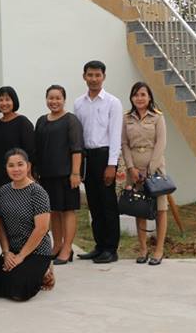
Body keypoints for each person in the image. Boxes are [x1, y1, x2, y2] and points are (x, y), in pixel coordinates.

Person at [73, 60, 124, 264]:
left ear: (103, 77)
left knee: (108, 204)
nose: (93, 79)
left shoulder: (113, 102)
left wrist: (112, 164)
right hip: (87, 157)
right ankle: (99, 245)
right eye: (90, 75)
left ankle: (111, 248)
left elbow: (115, 136)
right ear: (84, 76)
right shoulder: (79, 103)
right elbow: (78, 135)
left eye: (97, 75)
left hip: (105, 157)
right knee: (93, 203)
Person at [34, 85, 84, 264]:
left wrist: (75, 173)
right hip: (47, 175)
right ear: (46, 99)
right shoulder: (41, 121)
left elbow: (76, 149)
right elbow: (37, 148)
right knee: (53, 211)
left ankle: (67, 248)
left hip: (66, 174)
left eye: (58, 98)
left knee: (67, 210)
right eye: (51, 98)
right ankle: (57, 245)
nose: (54, 101)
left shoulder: (71, 120)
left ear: (64, 100)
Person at [0, 149, 54, 301]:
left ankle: (45, 270)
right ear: (6, 168)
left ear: (28, 166)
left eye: (20, 164)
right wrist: (6, 252)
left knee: (18, 292)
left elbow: (41, 229)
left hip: (36, 251)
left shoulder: (38, 192)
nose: (16, 169)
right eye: (11, 165)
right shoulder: (3, 191)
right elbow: (0, 225)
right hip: (12, 250)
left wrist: (21, 256)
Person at [123, 81, 169, 266]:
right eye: (136, 94)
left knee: (160, 209)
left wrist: (150, 169)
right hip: (134, 169)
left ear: (149, 97)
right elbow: (124, 144)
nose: (139, 98)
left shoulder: (157, 117)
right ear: (131, 98)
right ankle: (143, 248)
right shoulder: (127, 118)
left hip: (155, 169)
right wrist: (131, 168)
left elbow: (161, 143)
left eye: (143, 94)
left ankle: (159, 249)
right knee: (139, 207)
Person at [0, 86, 35, 193]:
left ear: (14, 101)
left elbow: (30, 151)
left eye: (7, 99)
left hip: (17, 173)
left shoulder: (23, 122)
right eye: (1, 100)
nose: (4, 103)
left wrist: (28, 173)